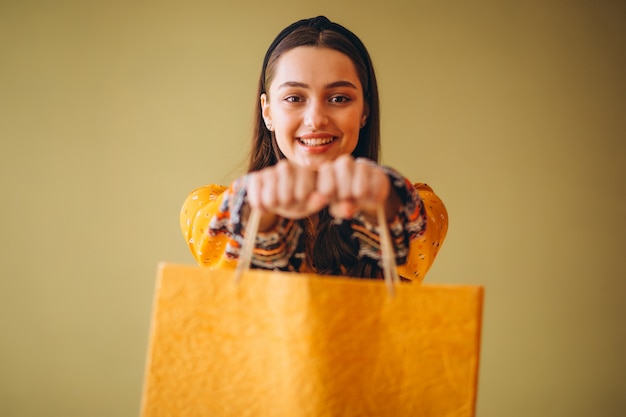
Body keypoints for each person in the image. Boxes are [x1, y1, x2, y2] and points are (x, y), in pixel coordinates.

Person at [180, 16, 448, 282]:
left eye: (339, 98)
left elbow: (412, 231)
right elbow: (225, 237)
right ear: (268, 111)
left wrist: (384, 201)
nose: (316, 118)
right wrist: (257, 212)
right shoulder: (204, 209)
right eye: (294, 98)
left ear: (364, 111)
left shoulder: (422, 208)